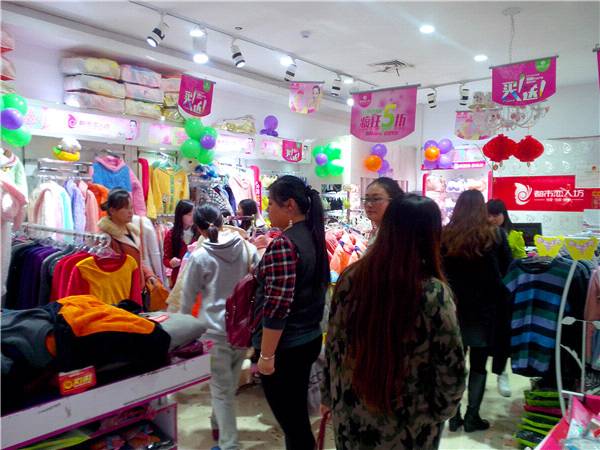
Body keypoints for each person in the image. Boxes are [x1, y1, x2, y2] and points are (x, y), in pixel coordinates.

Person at [320, 195, 466, 449]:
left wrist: (329, 395)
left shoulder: (351, 278)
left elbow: (333, 346)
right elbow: (450, 366)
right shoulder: (433, 292)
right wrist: (439, 412)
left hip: (351, 412)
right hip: (409, 421)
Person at [253, 175, 329, 450]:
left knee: (294, 423)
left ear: (290, 205)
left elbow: (277, 307)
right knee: (296, 418)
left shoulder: (285, 244)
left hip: (287, 345)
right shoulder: (313, 235)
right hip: (308, 337)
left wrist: (266, 356)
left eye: (271, 204)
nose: (267, 210)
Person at [181, 204, 258, 450]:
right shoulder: (248, 249)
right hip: (242, 329)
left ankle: (229, 445)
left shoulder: (200, 256)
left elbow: (187, 299)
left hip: (213, 332)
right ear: (223, 221)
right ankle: (217, 425)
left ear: (199, 229)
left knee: (222, 390)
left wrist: (182, 332)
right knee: (227, 387)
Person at [442, 190, 512, 433]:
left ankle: (454, 416)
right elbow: (507, 270)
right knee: (479, 364)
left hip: (453, 308)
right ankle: (473, 416)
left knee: (454, 364)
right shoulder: (496, 235)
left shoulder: (445, 235)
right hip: (484, 310)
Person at [98, 189, 157, 291]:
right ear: (112, 211)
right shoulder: (105, 238)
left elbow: (137, 261)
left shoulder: (133, 231)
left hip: (137, 288)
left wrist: (148, 274)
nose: (131, 212)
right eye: (126, 208)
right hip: (121, 291)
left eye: (131, 208)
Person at [163, 200, 199, 288]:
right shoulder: (171, 234)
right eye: (189, 214)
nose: (192, 217)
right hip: (178, 278)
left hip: (196, 277)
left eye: (194, 214)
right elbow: (166, 259)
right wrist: (171, 263)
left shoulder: (199, 232)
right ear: (180, 215)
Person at [362, 177, 404, 245]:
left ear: (393, 201)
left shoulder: (396, 238)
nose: (369, 204)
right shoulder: (378, 232)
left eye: (376, 199)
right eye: (367, 199)